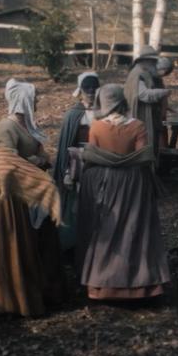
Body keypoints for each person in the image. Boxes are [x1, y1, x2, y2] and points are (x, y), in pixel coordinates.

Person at [0, 79, 66, 317]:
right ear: (24, 101)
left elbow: (35, 148)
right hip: (9, 195)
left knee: (43, 239)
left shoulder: (26, 126)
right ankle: (9, 298)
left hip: (27, 189)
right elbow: (5, 162)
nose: (37, 102)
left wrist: (41, 157)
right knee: (14, 245)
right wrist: (37, 163)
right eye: (34, 99)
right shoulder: (6, 127)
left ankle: (44, 291)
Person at [76, 84, 170, 300]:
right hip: (133, 182)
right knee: (134, 228)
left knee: (106, 228)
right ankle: (139, 285)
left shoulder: (97, 127)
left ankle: (102, 284)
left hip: (106, 182)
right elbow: (143, 157)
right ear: (123, 101)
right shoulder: (137, 126)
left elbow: (93, 154)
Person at [54, 72, 101, 253]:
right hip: (78, 166)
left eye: (94, 87)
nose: (90, 91)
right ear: (80, 90)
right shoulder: (73, 114)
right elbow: (67, 146)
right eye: (86, 88)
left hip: (100, 163)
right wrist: (67, 171)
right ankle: (77, 246)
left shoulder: (105, 112)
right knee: (77, 207)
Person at [124, 45, 171, 157]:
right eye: (152, 61)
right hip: (140, 116)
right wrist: (164, 92)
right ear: (145, 61)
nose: (154, 64)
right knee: (144, 145)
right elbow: (143, 95)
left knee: (152, 144)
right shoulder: (138, 74)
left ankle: (152, 171)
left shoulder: (145, 73)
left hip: (149, 116)